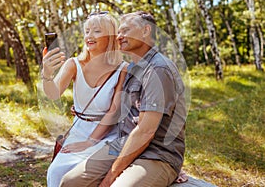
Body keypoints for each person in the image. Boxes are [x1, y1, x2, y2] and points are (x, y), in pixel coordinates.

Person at [59, 11, 187, 187]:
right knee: (70, 182)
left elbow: (145, 131)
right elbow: (116, 107)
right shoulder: (133, 67)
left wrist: (111, 176)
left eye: (125, 30)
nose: (119, 36)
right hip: (122, 145)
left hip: (157, 154)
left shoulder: (158, 69)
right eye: (118, 31)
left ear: (145, 31)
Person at [41, 12, 127, 187]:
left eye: (96, 31)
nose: (89, 36)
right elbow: (53, 94)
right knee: (56, 172)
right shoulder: (74, 64)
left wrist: (90, 142)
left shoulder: (122, 69)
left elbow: (113, 112)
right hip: (79, 130)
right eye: (87, 31)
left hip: (107, 134)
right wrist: (47, 75)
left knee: (86, 174)